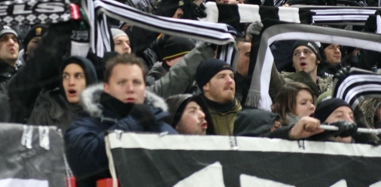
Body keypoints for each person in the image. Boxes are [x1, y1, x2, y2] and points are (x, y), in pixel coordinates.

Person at [65, 54, 176, 187]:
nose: (130, 89)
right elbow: (84, 163)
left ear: (145, 88)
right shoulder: (87, 124)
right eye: (122, 82)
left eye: (136, 82)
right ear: (106, 87)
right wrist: (135, 121)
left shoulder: (160, 126)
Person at [27, 56, 97, 132]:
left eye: (78, 76)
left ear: (89, 81)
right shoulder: (44, 114)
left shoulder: (105, 114)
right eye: (66, 76)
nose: (71, 82)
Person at [196, 58, 242, 135]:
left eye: (232, 76)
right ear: (206, 86)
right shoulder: (197, 118)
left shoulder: (245, 117)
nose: (230, 80)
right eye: (222, 76)